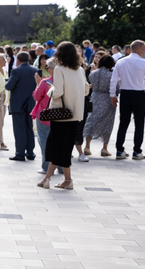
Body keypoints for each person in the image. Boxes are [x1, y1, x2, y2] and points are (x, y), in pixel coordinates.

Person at [38, 42, 90, 190]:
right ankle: (66, 180)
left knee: (56, 146)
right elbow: (86, 91)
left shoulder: (60, 69)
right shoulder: (80, 69)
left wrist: (50, 90)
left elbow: (58, 92)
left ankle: (48, 179)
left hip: (60, 113)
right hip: (75, 114)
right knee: (65, 147)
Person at [110, 40, 145, 160]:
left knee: (123, 122)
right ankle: (137, 151)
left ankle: (119, 150)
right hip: (139, 94)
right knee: (139, 124)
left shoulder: (121, 61)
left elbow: (114, 80)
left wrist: (112, 95)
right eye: (144, 47)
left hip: (125, 94)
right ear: (139, 48)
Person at [4, 52, 38, 161]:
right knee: (29, 128)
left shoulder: (16, 71)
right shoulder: (35, 70)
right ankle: (30, 152)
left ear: (17, 60)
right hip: (30, 103)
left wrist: (8, 81)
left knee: (19, 129)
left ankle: (20, 153)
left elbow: (9, 86)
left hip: (18, 104)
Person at [83, 55, 117, 157]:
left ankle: (87, 146)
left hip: (94, 97)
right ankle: (104, 148)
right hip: (107, 99)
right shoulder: (111, 75)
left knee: (91, 120)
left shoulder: (93, 73)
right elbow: (117, 88)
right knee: (108, 122)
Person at [31, 59, 55, 173]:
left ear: (51, 69)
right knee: (58, 141)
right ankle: (61, 166)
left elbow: (36, 96)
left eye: (48, 66)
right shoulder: (65, 82)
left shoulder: (45, 82)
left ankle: (46, 166)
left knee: (44, 140)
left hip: (45, 115)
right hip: (61, 116)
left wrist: (38, 83)